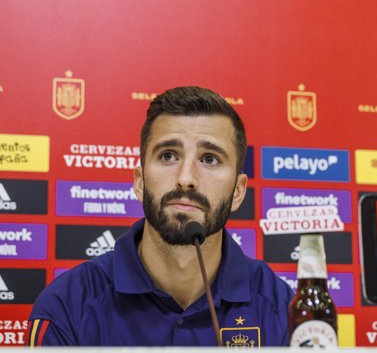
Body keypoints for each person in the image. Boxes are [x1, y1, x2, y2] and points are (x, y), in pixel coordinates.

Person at [27, 86, 293, 346]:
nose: (186, 179)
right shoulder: (67, 307)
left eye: (210, 159)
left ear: (238, 191)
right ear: (140, 181)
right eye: (168, 156)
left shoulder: (280, 309)